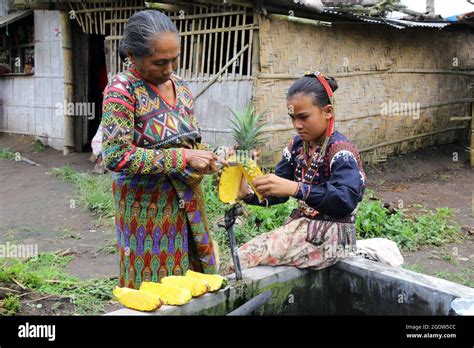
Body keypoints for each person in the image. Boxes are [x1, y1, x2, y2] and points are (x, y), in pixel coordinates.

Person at [100, 10, 224, 289]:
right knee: (155, 288)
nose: (169, 69)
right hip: (147, 210)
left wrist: (208, 158)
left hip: (188, 203)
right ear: (132, 55)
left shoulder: (181, 87)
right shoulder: (122, 90)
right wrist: (183, 157)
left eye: (174, 59)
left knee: (197, 280)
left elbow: (189, 141)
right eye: (159, 62)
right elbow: (116, 155)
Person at [227, 72, 366, 272]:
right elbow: (279, 192)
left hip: (332, 238)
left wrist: (295, 188)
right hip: (302, 230)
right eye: (292, 118)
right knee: (240, 260)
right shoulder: (297, 146)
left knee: (240, 261)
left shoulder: (341, 152)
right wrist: (248, 193)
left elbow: (345, 200)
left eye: (304, 117)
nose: (297, 125)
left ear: (328, 111)